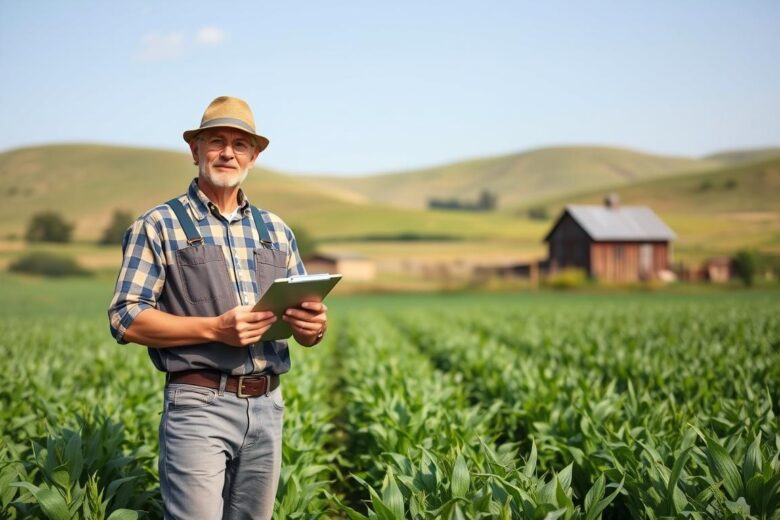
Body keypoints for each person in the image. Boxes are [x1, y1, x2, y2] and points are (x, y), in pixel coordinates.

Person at [108, 96, 328, 519]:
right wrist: (214, 330)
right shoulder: (158, 225)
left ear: (254, 155)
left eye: (240, 144)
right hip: (198, 403)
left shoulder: (276, 231)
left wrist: (313, 327)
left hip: (267, 406)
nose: (228, 152)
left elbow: (308, 325)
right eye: (216, 141)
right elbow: (125, 317)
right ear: (196, 150)